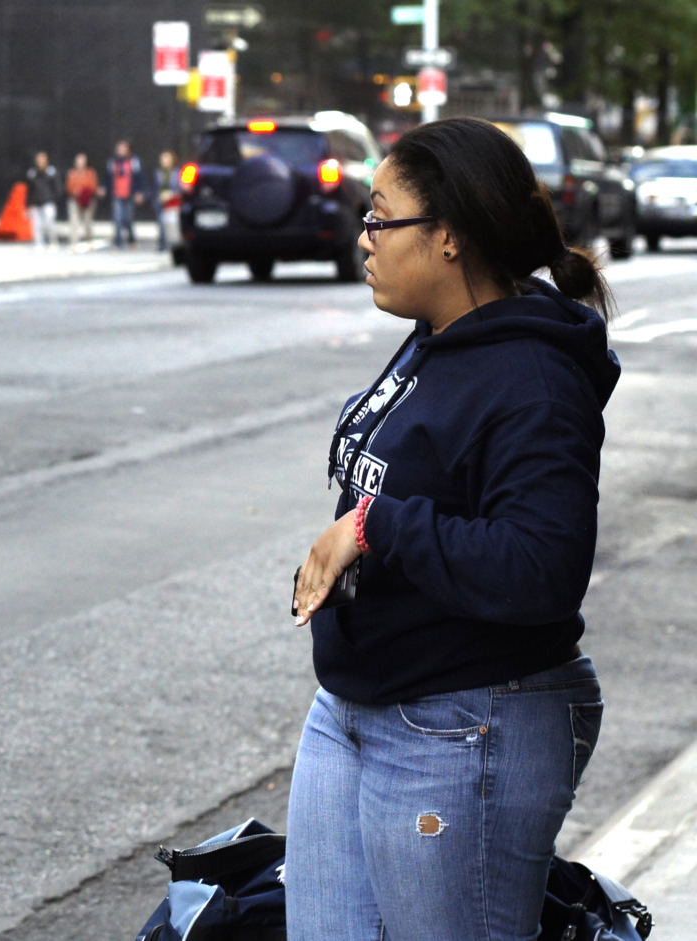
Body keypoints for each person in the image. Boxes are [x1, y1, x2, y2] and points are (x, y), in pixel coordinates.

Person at [286, 117, 620, 941]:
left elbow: (541, 567)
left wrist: (373, 529)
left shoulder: (533, 380)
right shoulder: (437, 339)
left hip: (468, 726)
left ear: (448, 238)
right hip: (354, 707)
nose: (363, 236)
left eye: (381, 216)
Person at [107, 140, 145, 248]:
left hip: (130, 194)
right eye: (119, 148)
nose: (121, 151)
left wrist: (140, 192)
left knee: (128, 219)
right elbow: (108, 176)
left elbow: (140, 177)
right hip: (117, 193)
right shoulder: (113, 162)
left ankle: (131, 238)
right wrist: (104, 187)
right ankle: (118, 241)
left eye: (123, 148)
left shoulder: (134, 162)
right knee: (117, 218)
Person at [25, 150, 61, 248]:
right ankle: (39, 242)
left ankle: (52, 241)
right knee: (37, 225)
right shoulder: (32, 173)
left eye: (43, 159)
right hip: (36, 203)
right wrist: (28, 204)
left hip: (48, 202)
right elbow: (29, 190)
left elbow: (57, 187)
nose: (41, 161)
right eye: (39, 159)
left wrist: (54, 198)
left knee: (49, 222)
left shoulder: (51, 172)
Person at [65, 152, 99, 247]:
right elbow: (68, 186)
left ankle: (90, 240)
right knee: (74, 222)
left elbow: (93, 186)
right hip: (75, 201)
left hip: (87, 200)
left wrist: (85, 191)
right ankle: (74, 242)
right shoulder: (72, 173)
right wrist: (75, 191)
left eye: (82, 161)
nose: (80, 164)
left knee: (88, 222)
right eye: (78, 161)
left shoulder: (90, 173)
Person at [152, 150, 180, 252]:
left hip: (172, 201)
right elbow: (154, 187)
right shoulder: (158, 172)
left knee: (172, 224)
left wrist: (171, 194)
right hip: (160, 200)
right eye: (163, 158)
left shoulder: (177, 172)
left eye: (167, 158)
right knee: (160, 223)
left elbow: (179, 187)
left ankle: (171, 244)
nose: (164, 161)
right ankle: (161, 243)